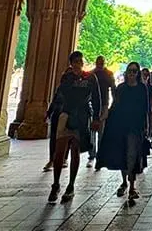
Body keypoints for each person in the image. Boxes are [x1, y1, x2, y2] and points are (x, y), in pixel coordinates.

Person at [46, 51, 102, 203]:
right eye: (75, 61)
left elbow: (96, 98)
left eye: (80, 61)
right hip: (66, 114)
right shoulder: (67, 77)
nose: (78, 64)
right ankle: (56, 183)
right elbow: (59, 95)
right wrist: (50, 111)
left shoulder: (90, 78)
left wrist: (96, 118)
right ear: (71, 63)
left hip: (82, 117)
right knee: (59, 152)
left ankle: (70, 185)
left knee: (75, 151)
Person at [95, 61, 150, 204]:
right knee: (123, 154)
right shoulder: (121, 88)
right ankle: (125, 181)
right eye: (129, 71)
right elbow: (115, 106)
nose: (131, 74)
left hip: (135, 127)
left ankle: (131, 186)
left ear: (138, 74)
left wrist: (147, 126)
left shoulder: (142, 89)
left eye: (134, 71)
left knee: (132, 154)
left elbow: (146, 108)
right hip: (121, 126)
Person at [87, 55, 114, 168]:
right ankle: (93, 155)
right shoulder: (92, 74)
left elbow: (113, 88)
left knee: (99, 130)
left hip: (103, 104)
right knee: (93, 130)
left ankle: (98, 156)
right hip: (94, 104)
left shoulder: (106, 74)